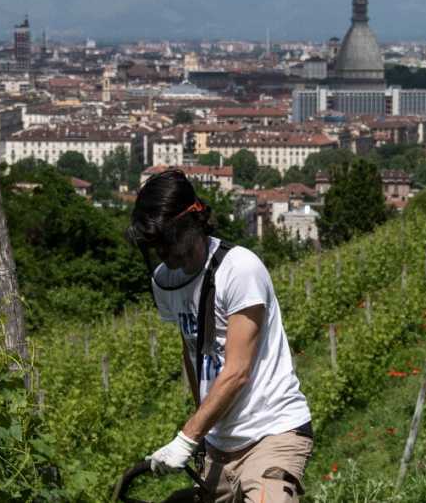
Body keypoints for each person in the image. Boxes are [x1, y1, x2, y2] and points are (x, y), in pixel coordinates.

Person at [127, 169, 313, 503]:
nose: (164, 254)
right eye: (156, 247)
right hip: (219, 447)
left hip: (272, 434)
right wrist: (203, 433)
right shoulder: (164, 281)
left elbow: (238, 371)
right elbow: (192, 350)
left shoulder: (239, 269)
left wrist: (187, 437)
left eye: (167, 243)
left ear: (190, 224)